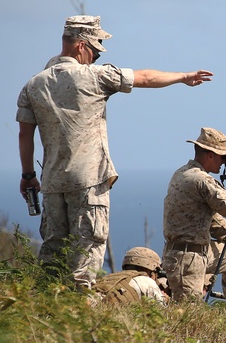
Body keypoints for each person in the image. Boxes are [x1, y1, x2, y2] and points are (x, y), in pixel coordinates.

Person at [16, 15, 213, 289]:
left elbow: (25, 135)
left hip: (51, 183)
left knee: (53, 256)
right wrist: (183, 77)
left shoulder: (33, 85)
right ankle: (79, 315)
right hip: (89, 183)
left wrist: (28, 175)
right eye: (96, 50)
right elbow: (144, 78)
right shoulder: (95, 77)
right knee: (85, 258)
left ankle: (44, 313)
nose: (96, 57)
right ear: (81, 45)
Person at [162, 128, 226, 301]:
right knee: (187, 317)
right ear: (210, 155)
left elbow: (208, 217)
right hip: (187, 259)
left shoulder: (182, 173)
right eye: (222, 157)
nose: (223, 163)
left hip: (191, 253)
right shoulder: (202, 180)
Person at [90, 246, 168, 306]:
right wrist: (166, 299)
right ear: (152, 270)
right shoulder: (146, 281)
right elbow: (160, 309)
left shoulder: (111, 278)